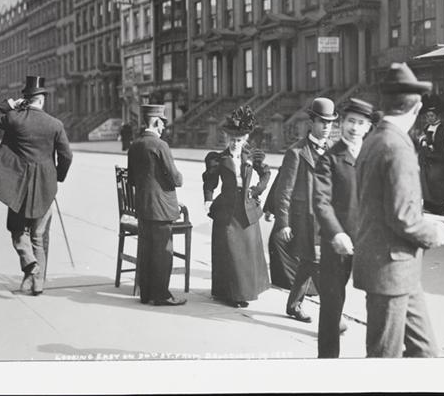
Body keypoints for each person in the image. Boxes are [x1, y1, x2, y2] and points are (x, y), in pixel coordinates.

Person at [353, 63, 444, 358]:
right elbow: (403, 217)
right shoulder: (396, 146)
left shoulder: (375, 140)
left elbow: (386, 204)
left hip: (397, 270)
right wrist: (433, 232)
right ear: (416, 107)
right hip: (390, 269)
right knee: (384, 357)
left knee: (425, 352)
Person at [0, 76, 73, 296]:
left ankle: (30, 263)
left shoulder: (15, 118)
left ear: (26, 99)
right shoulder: (55, 124)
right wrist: (57, 177)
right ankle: (38, 283)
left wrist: (10, 104)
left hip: (19, 187)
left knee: (17, 230)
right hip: (45, 187)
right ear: (42, 100)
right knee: (38, 236)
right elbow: (67, 156)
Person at [314, 98, 374, 358]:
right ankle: (328, 362)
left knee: (378, 303)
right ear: (342, 123)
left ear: (368, 127)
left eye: (360, 123)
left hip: (371, 241)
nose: (354, 128)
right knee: (331, 303)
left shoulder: (374, 154)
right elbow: (321, 201)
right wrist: (336, 232)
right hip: (338, 242)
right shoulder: (330, 158)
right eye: (350, 121)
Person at [274, 98, 337, 323]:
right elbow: (284, 191)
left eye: (330, 122)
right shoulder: (296, 152)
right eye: (322, 122)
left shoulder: (334, 149)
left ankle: (293, 305)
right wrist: (283, 223)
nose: (327, 126)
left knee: (308, 264)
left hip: (327, 221)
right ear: (312, 123)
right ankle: (334, 316)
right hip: (305, 221)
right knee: (318, 265)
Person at [203, 106, 271, 308]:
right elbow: (210, 182)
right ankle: (229, 294)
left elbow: (266, 174)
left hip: (247, 210)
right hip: (226, 210)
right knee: (229, 252)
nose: (235, 143)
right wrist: (208, 199)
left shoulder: (251, 156)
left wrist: (256, 190)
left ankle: (245, 292)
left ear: (245, 139)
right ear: (227, 138)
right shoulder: (218, 158)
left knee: (247, 252)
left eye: (239, 140)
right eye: (232, 139)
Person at [127, 104, 187, 306]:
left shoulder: (134, 145)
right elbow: (176, 179)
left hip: (143, 207)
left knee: (146, 249)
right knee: (162, 252)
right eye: (162, 123)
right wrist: (179, 178)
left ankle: (146, 294)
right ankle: (161, 295)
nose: (163, 128)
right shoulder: (161, 145)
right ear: (155, 122)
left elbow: (132, 180)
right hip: (162, 208)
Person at [417, 95, 444, 216]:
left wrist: (431, 147)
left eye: (431, 116)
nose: (429, 118)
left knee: (435, 177)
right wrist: (423, 142)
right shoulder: (427, 128)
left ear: (437, 116)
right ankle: (428, 203)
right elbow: (422, 139)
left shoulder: (442, 129)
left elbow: (441, 147)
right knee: (424, 177)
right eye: (427, 116)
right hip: (427, 159)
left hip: (438, 159)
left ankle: (439, 205)